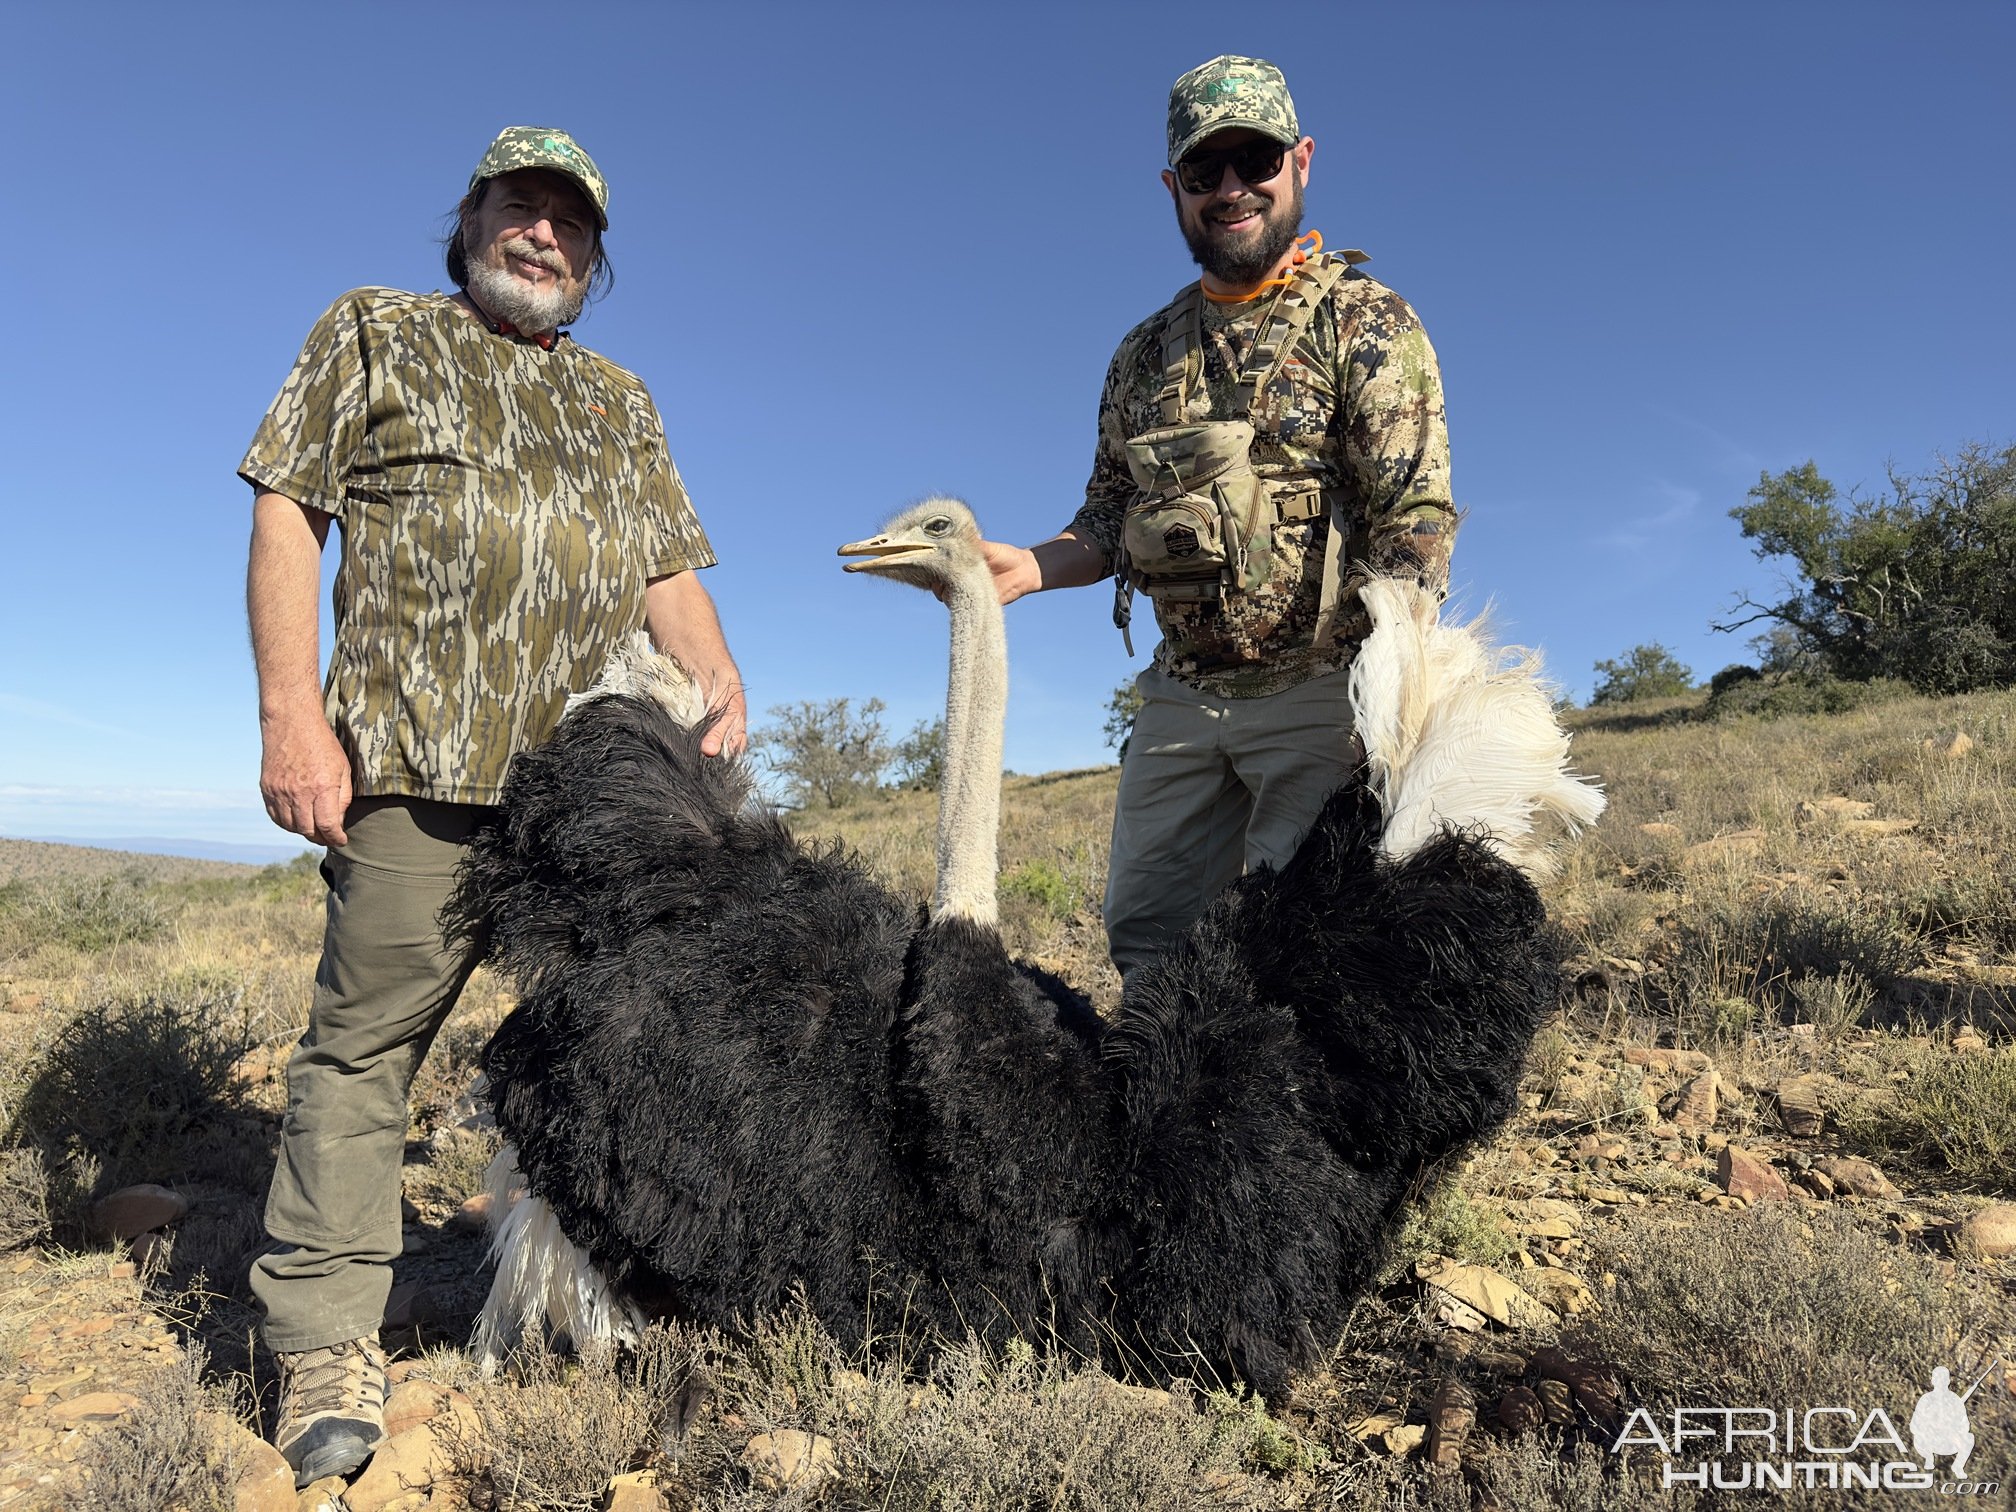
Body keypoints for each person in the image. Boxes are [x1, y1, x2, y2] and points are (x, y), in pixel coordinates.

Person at [239, 126, 745, 1486]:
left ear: (593, 257)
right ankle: (326, 1337)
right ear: (472, 217)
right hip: (413, 766)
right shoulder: (376, 333)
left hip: (594, 797)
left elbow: (666, 568)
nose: (543, 234)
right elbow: (289, 511)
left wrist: (716, 667)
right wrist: (294, 714)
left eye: (569, 222)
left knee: (623, 1045)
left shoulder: (620, 400)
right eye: (520, 207)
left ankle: (599, 1296)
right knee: (366, 1050)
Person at [981, 55, 1456, 976]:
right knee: (1148, 943)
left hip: (1325, 696)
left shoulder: (1365, 322)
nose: (1232, 190)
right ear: (1174, 188)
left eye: (1256, 162)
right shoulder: (1142, 356)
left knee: (1303, 956)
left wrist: (1389, 695)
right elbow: (1106, 519)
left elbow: (1414, 524)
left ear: (1302, 162)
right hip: (1183, 697)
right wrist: (1029, 568)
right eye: (1206, 173)